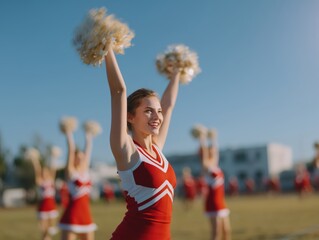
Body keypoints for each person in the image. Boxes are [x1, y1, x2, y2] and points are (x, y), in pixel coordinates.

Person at [104, 46, 181, 239]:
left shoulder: (157, 148)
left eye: (158, 111)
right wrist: (105, 45)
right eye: (148, 111)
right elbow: (118, 91)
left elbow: (169, 105)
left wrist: (178, 69)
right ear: (130, 116)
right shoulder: (126, 150)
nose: (157, 116)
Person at [58, 131, 97, 240]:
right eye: (78, 157)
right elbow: (70, 150)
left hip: (85, 212)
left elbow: (88, 151)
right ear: (74, 159)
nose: (80, 158)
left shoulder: (86, 171)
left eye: (82, 156)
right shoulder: (71, 172)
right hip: (73, 213)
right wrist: (69, 134)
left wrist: (89, 137)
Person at [197, 131, 231, 240]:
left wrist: (213, 138)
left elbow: (216, 151)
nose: (213, 150)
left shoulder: (215, 163)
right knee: (216, 232)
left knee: (226, 230)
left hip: (220, 201)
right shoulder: (206, 166)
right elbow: (204, 156)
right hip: (213, 202)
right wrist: (202, 138)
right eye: (210, 149)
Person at [30, 156, 59, 240]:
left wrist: (54, 157)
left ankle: (48, 237)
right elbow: (37, 170)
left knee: (51, 226)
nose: (44, 174)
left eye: (46, 172)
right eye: (43, 172)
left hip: (51, 205)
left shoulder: (51, 180)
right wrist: (35, 160)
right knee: (44, 228)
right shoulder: (40, 181)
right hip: (43, 206)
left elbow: (53, 169)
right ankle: (46, 238)